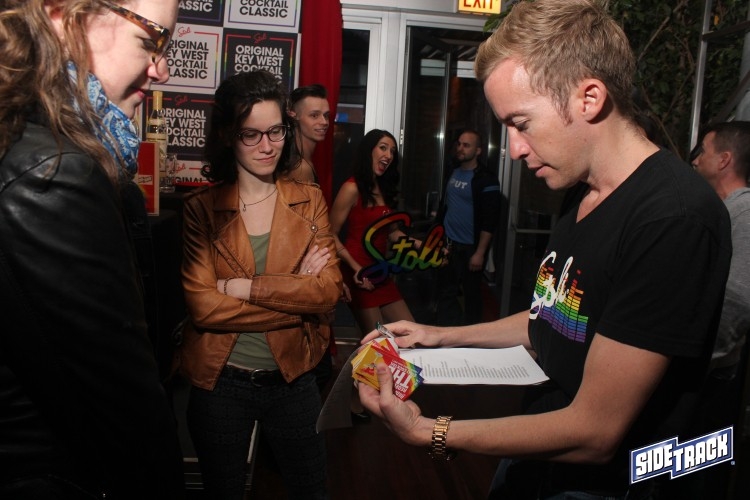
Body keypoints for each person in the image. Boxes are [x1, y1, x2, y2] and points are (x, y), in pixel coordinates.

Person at [357, 1, 732, 498]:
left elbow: (595, 432)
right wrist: (438, 336)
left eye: (522, 123)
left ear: (589, 98)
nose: (513, 148)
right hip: (539, 456)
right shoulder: (582, 191)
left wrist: (432, 431)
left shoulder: (672, 219)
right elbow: (550, 320)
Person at [0, 1, 185, 498]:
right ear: (63, 16)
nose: (161, 70)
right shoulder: (52, 174)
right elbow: (130, 424)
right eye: (151, 40)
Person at [176, 70, 341, 500]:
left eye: (276, 131)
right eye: (251, 134)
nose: (267, 146)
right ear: (228, 135)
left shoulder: (309, 200)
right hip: (220, 382)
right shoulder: (201, 209)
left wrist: (246, 288)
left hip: (295, 379)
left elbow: (328, 292)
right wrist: (298, 295)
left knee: (312, 492)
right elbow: (204, 308)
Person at [329, 129, 417, 335]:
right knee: (379, 340)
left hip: (381, 273)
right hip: (359, 272)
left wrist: (425, 246)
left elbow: (393, 234)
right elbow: (330, 234)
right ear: (369, 151)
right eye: (383, 148)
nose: (388, 155)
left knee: (411, 334)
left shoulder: (385, 189)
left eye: (392, 151)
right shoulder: (351, 188)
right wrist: (356, 268)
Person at [434, 129, 502, 325]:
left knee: (472, 295)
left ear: (478, 151)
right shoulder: (452, 171)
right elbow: (445, 205)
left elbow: (490, 219)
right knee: (446, 292)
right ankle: (443, 332)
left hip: (470, 248)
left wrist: (480, 253)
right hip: (448, 244)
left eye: (466, 145)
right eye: (459, 144)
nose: (460, 148)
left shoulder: (485, 178)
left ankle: (471, 336)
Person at [287, 83, 331, 183]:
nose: (324, 122)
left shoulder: (303, 161)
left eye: (326, 115)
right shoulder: (300, 168)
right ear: (293, 116)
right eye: (314, 115)